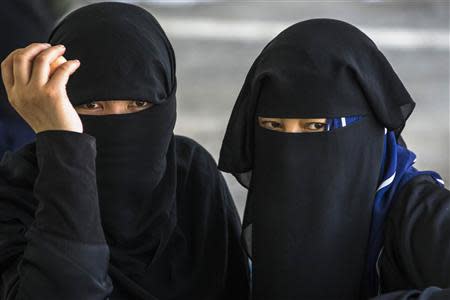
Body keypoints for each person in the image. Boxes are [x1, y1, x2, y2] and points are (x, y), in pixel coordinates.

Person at [0, 2, 249, 299]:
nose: (118, 121)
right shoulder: (15, 193)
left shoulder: (191, 173)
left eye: (138, 104)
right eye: (92, 105)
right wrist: (63, 145)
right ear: (58, 103)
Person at [218, 18, 450, 300]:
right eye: (273, 127)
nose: (291, 151)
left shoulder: (422, 210)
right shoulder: (273, 201)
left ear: (365, 127)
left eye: (316, 126)